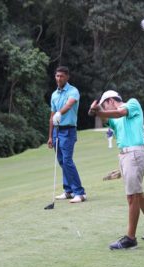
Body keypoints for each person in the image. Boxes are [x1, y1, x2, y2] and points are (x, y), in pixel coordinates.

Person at [88, 90, 144, 250]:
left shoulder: (132, 104)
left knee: (132, 197)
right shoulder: (115, 119)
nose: (104, 108)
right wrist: (96, 112)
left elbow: (119, 112)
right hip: (125, 156)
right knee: (138, 193)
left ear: (110, 101)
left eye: (104, 105)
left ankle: (130, 239)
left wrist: (100, 110)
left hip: (134, 154)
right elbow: (106, 118)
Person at [47, 66, 86, 203]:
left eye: (61, 76)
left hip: (68, 130)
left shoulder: (73, 91)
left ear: (67, 77)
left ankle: (80, 193)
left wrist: (60, 113)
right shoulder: (54, 94)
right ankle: (68, 190)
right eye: (57, 76)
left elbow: (69, 105)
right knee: (62, 162)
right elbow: (51, 116)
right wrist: (50, 136)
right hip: (57, 131)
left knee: (68, 161)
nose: (59, 78)